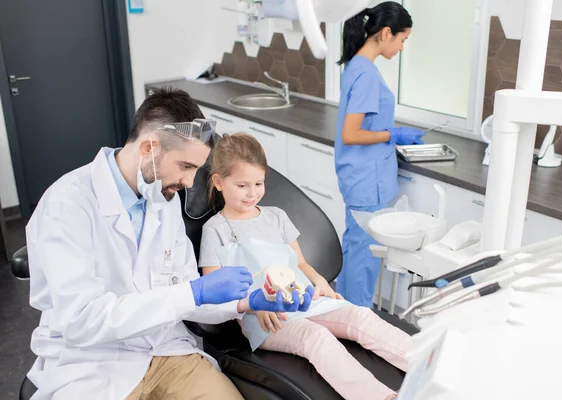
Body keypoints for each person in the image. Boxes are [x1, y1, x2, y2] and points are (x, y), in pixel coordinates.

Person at [25, 88, 305, 400]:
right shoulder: (68, 204)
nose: (189, 182)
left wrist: (249, 301)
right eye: (186, 166)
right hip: (90, 364)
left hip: (165, 350)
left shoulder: (163, 199)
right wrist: (192, 292)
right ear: (148, 147)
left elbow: (186, 293)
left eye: (196, 169)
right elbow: (82, 321)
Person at [200, 133, 412, 400]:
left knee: (361, 316)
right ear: (219, 182)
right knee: (315, 336)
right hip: (265, 317)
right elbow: (214, 288)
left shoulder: (276, 216)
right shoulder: (215, 230)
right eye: (242, 185)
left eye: (259, 183)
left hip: (303, 298)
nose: (252, 193)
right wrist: (254, 304)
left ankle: (428, 365)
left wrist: (320, 281)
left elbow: (299, 263)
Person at [334, 2, 425, 307]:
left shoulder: (355, 65)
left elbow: (361, 123)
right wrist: (394, 134)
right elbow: (351, 133)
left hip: (357, 174)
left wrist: (388, 129)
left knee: (355, 248)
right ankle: (358, 322)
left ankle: (343, 313)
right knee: (364, 256)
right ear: (386, 33)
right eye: (402, 39)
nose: (401, 47)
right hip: (366, 179)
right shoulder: (367, 74)